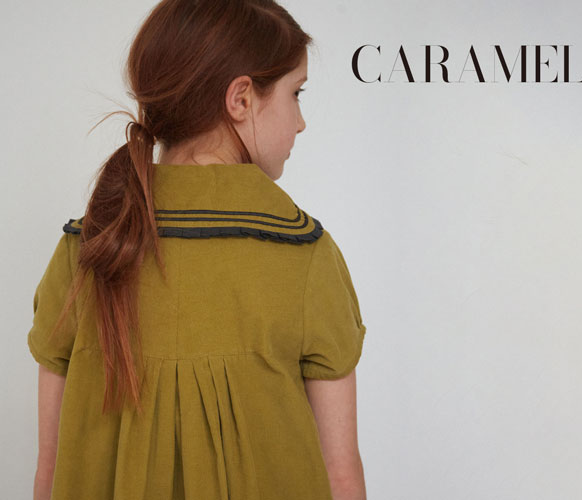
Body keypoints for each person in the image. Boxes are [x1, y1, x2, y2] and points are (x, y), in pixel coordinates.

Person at [27, 1, 368, 499]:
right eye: (296, 93)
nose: (300, 122)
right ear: (241, 99)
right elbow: (340, 477)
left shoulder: (86, 248)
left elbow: (50, 470)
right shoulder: (305, 255)